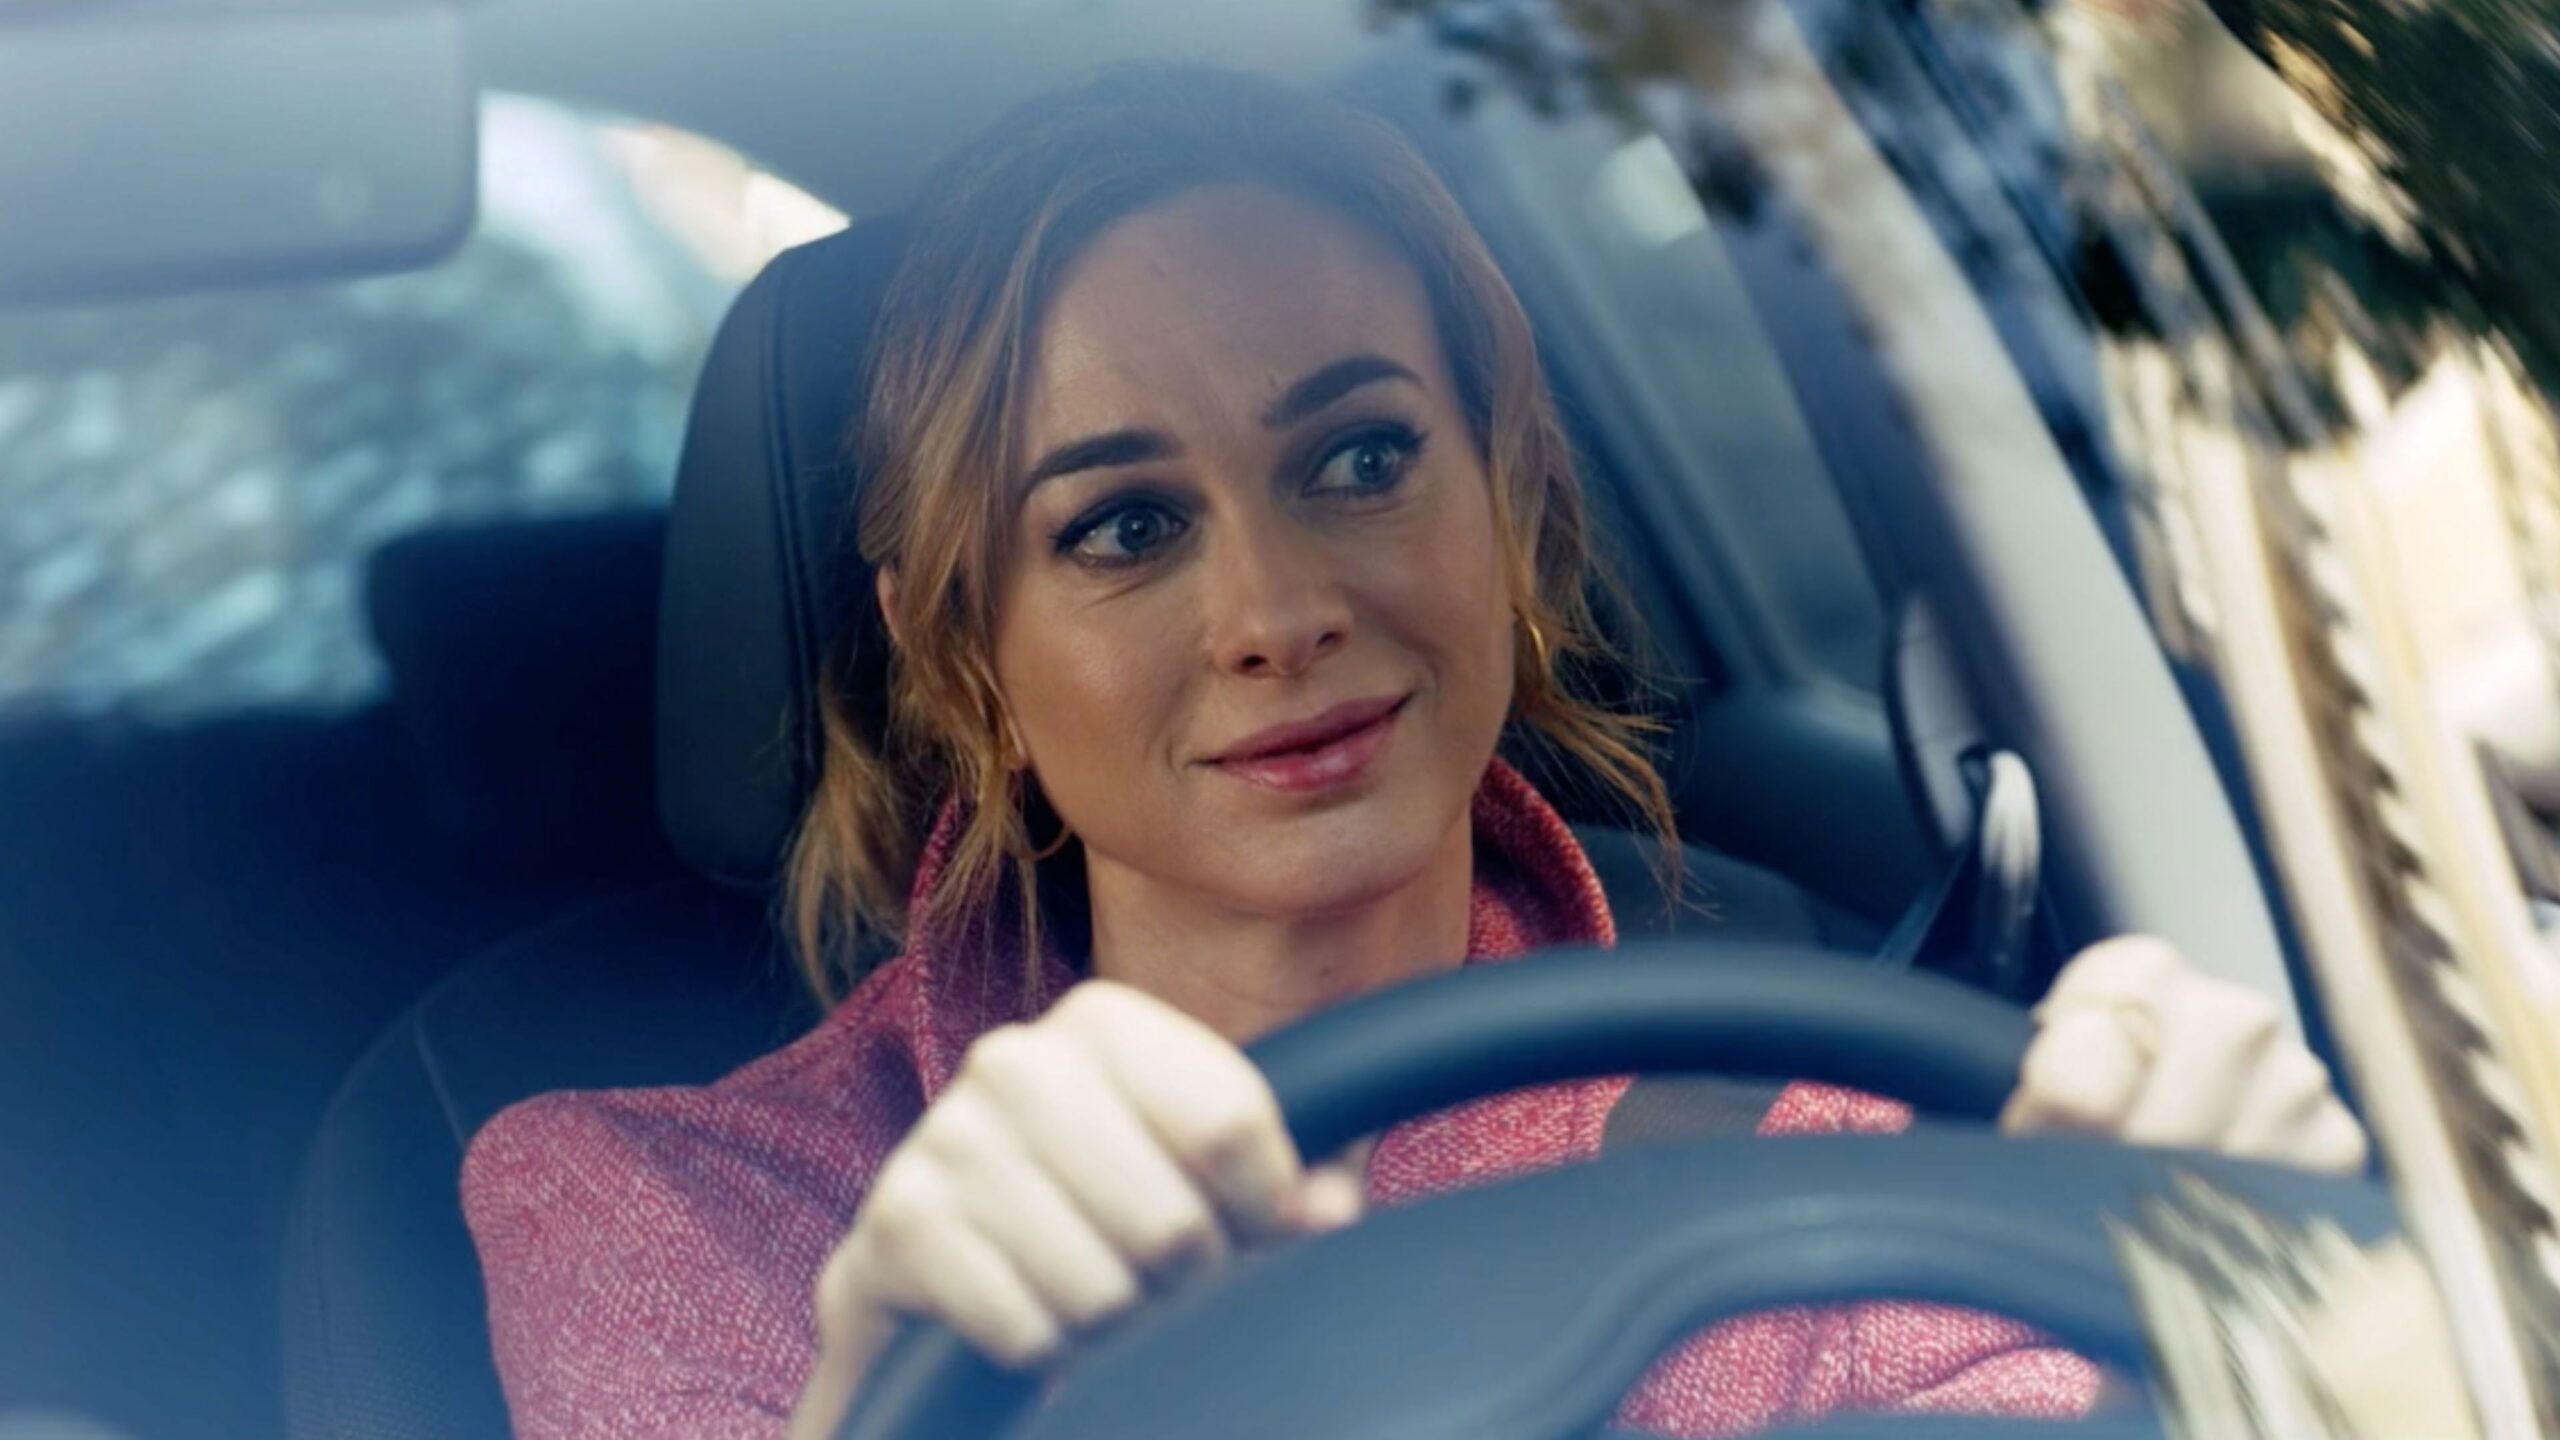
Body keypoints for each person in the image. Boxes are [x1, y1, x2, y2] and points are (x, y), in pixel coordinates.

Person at [461, 65, 2369, 1440]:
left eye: (1361, 458)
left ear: (1508, 503)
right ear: (963, 649)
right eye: (1123, 526)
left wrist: (2285, 1355)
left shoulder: (1817, 1139)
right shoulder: (674, 1217)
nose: (1275, 609)